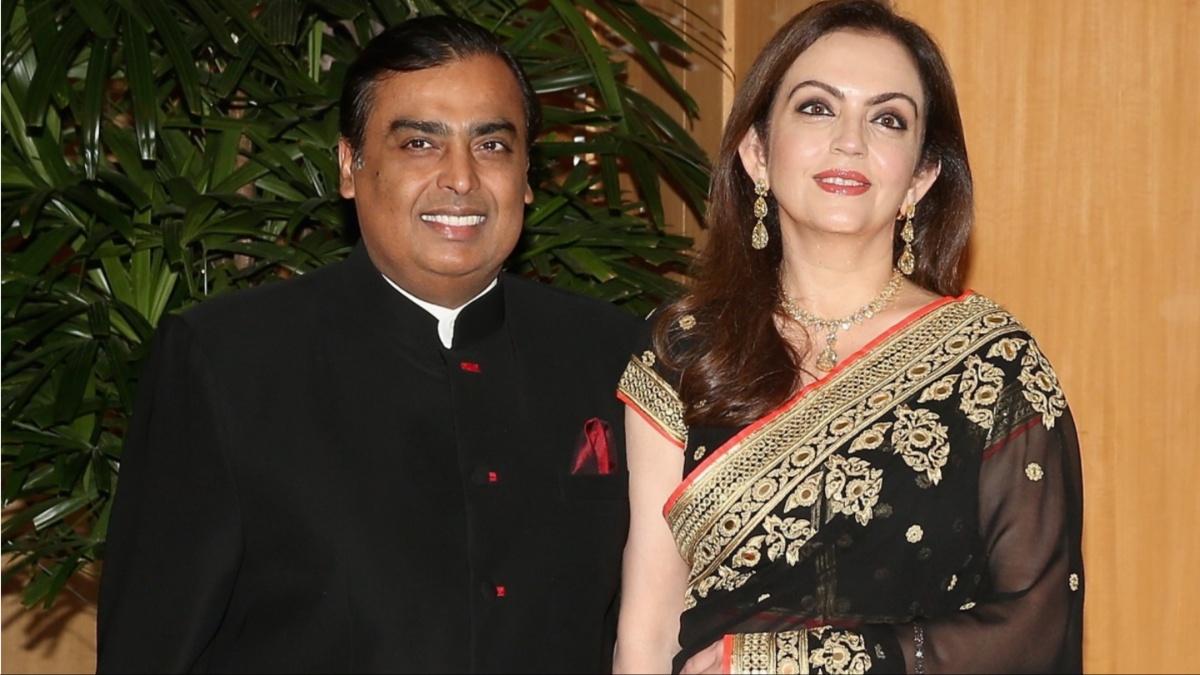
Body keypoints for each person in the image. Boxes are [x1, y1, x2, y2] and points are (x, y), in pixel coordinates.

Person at [96, 15, 638, 674]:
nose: (461, 178)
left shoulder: (614, 357)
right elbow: (150, 648)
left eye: (492, 145)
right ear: (350, 166)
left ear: (527, 173)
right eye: (420, 143)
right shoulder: (226, 360)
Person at [611, 0, 1085, 673]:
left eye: (888, 119)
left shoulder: (993, 363)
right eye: (817, 108)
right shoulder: (685, 351)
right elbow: (647, 633)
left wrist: (791, 664)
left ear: (921, 175)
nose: (850, 142)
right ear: (756, 152)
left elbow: (1038, 626)